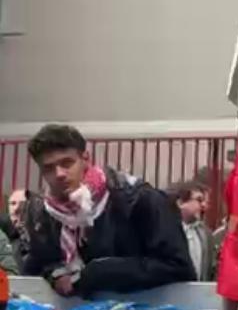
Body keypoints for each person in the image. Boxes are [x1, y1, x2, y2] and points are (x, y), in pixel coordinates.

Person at [22, 124, 196, 296]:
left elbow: (179, 268)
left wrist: (99, 273)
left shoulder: (139, 199)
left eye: (67, 163)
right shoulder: (42, 212)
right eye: (48, 168)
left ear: (85, 159)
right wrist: (57, 273)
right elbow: (39, 264)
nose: (59, 174)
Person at [173, 181, 217, 281]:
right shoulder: (167, 231)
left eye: (205, 202)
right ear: (181, 203)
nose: (204, 205)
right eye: (199, 200)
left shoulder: (206, 234)